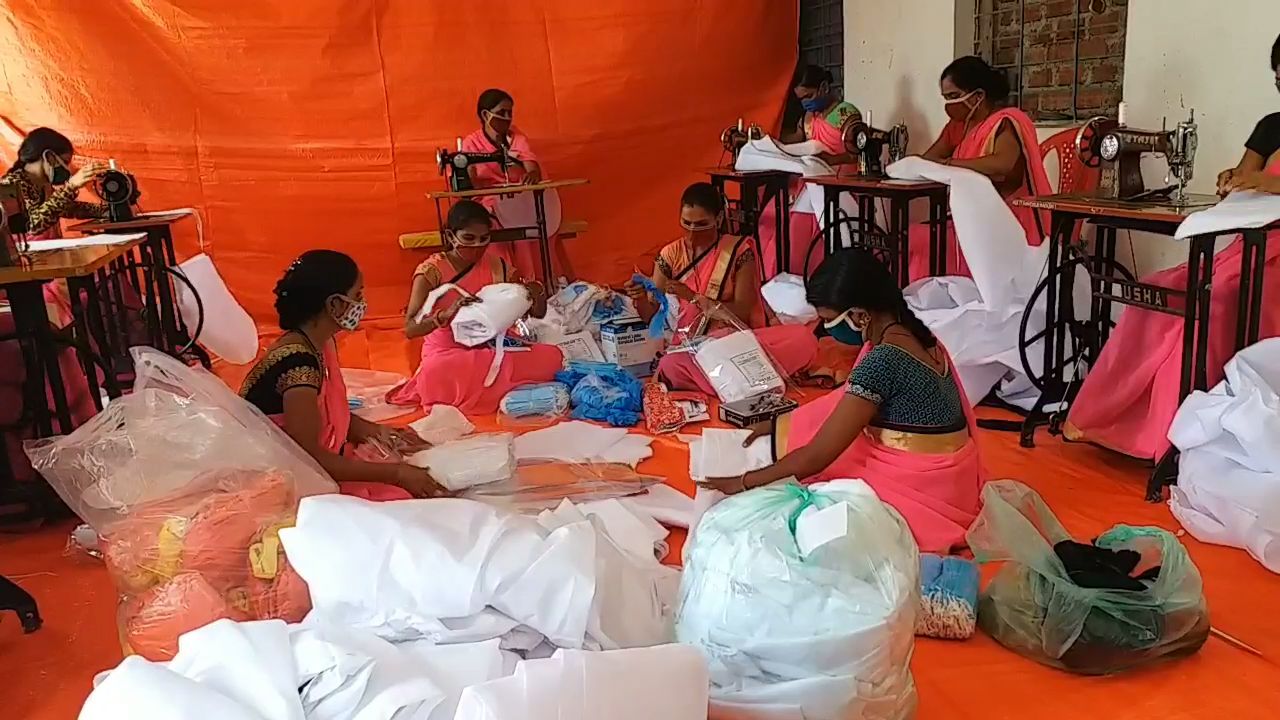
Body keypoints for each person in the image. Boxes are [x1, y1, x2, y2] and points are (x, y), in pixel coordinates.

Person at [1065, 34, 1280, 463]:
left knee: (1211, 302)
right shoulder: (1273, 125)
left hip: (1273, 265)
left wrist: (1267, 183)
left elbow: (1265, 182)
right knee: (1158, 290)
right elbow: (1244, 179)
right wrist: (1231, 180)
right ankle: (1106, 416)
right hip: (1252, 244)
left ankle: (1168, 435)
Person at [698, 249, 985, 553]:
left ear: (860, 316)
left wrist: (744, 483)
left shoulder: (883, 361)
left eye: (828, 321)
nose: (826, 331)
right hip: (956, 481)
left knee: (794, 523)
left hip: (923, 492)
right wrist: (780, 425)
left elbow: (815, 458)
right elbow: (844, 399)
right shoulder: (917, 337)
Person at [240, 250, 449, 500]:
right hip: (289, 479)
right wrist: (398, 474)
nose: (362, 304)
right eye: (357, 295)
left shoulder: (317, 344)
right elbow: (308, 459)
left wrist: (380, 432)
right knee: (403, 498)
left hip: (317, 461)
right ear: (335, 304)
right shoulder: (299, 366)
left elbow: (326, 415)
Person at [627, 183, 818, 394]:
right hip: (694, 348)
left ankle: (732, 383)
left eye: (701, 224)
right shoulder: (670, 255)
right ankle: (744, 381)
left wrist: (693, 298)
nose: (692, 234)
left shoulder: (738, 251)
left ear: (718, 219)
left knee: (803, 338)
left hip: (736, 342)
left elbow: (742, 310)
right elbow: (651, 316)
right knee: (670, 366)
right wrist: (641, 299)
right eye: (686, 223)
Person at [389, 200, 564, 414]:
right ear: (451, 236)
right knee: (435, 372)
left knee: (552, 357)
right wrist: (445, 315)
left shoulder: (497, 265)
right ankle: (507, 391)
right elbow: (410, 329)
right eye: (468, 238)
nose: (477, 246)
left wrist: (535, 293)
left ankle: (498, 390)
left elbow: (538, 313)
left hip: (494, 346)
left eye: (484, 239)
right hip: (450, 352)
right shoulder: (431, 271)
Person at [908, 55, 1052, 281]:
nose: (949, 104)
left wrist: (949, 165)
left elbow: (1001, 165)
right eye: (945, 98)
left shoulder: (1006, 121)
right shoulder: (958, 126)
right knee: (912, 236)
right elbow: (929, 159)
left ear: (978, 96)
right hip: (972, 219)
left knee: (920, 239)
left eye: (954, 96)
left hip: (1008, 222)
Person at [758, 65, 863, 278]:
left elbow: (858, 153)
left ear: (824, 87)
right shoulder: (808, 116)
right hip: (809, 178)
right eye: (801, 98)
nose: (806, 102)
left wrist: (830, 160)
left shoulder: (846, 114)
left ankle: (804, 276)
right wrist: (766, 141)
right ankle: (771, 278)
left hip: (838, 180)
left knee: (797, 227)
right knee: (770, 216)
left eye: (809, 95)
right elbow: (795, 141)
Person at [460, 88, 571, 280]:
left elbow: (529, 160)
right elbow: (471, 181)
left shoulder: (516, 137)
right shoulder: (472, 143)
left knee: (527, 220)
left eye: (510, 113)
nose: (507, 117)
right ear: (486, 115)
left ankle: (533, 279)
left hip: (518, 197)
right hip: (488, 198)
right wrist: (466, 174)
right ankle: (503, 278)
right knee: (491, 223)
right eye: (502, 113)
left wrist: (532, 174)